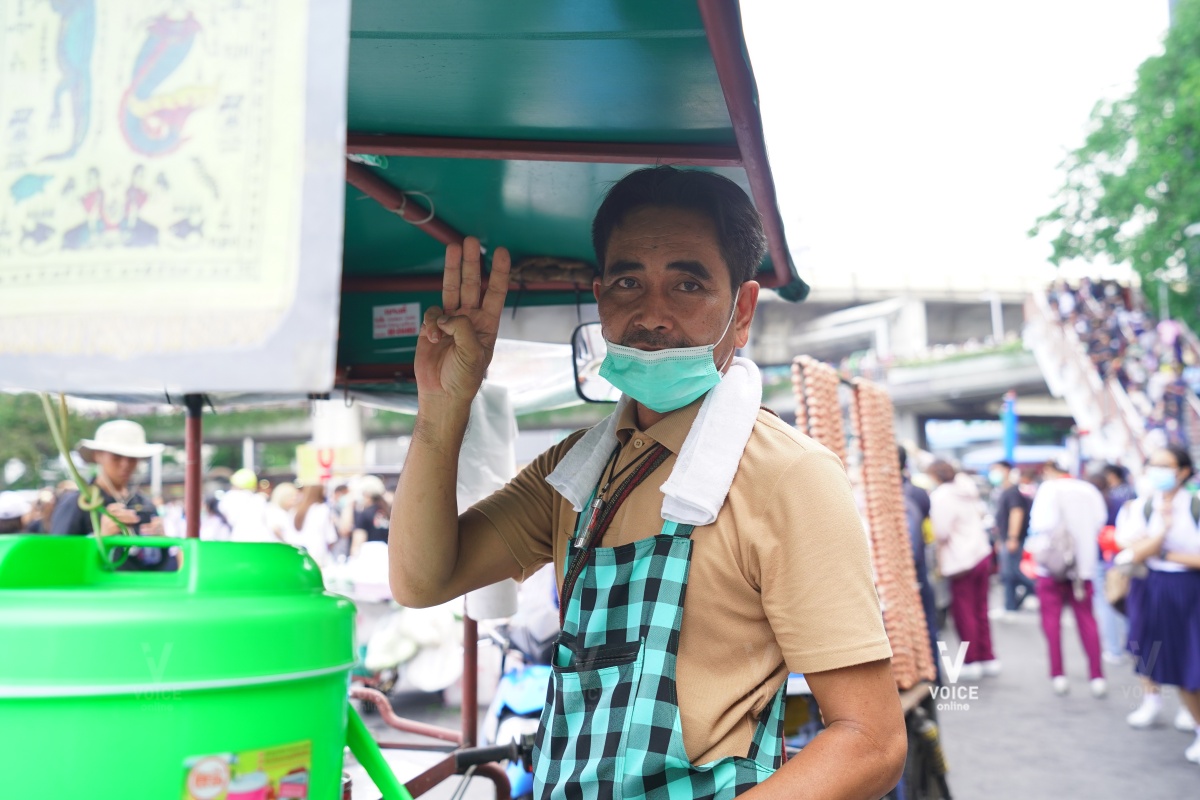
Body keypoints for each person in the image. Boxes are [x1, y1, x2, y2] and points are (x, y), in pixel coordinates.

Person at [389, 167, 906, 798]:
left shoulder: (788, 476)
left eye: (688, 284)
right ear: (602, 297)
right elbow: (422, 579)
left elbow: (871, 741)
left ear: (741, 312)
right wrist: (443, 410)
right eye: (629, 281)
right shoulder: (574, 472)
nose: (653, 315)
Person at [1115, 446, 1200, 760]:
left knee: (1191, 656)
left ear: (1183, 470)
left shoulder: (1194, 505)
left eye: (1165, 465)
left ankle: (1194, 717)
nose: (1157, 471)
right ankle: (1153, 700)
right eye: (1153, 464)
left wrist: (1162, 551)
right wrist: (1161, 532)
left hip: (1189, 588)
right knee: (1146, 644)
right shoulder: (1142, 506)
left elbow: (1148, 550)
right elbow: (1132, 551)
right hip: (1150, 585)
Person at [1027, 460, 1108, 697]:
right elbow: (1099, 522)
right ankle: (1097, 676)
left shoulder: (1048, 490)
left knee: (1051, 622)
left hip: (1051, 568)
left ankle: (1058, 674)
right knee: (1087, 620)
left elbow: (1040, 525)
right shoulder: (1088, 490)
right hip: (1083, 567)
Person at [48, 420, 172, 571]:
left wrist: (160, 544)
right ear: (98, 456)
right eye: (117, 457)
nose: (125, 465)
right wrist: (101, 536)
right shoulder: (77, 502)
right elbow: (57, 559)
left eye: (132, 458)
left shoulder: (144, 504)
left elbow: (157, 565)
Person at [926, 460, 998, 681]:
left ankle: (971, 660)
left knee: (964, 612)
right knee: (981, 609)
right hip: (981, 553)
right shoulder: (968, 489)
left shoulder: (942, 497)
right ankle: (987, 656)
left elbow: (941, 531)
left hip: (960, 559)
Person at [900, 446, 939, 675]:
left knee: (920, 626)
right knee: (925, 625)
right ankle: (933, 676)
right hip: (917, 566)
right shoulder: (917, 492)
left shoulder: (906, 495)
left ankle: (929, 676)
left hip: (911, 570)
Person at [1096, 464, 1134, 663]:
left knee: (1106, 604)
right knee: (1125, 601)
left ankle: (1114, 650)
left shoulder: (1097, 503)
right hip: (1121, 557)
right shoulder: (1124, 498)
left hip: (1103, 558)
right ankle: (1132, 646)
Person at [990, 461, 1037, 616]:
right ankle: (1010, 605)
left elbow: (1017, 514)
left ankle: (1039, 589)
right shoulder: (1003, 491)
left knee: (1012, 572)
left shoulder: (1012, 492)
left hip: (1012, 539)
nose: (994, 472)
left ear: (1007, 470)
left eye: (996, 469)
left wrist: (1012, 537)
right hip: (1005, 538)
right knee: (1008, 573)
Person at [219, 468, 273, 543]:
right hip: (262, 540)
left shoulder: (230, 496)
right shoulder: (260, 499)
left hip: (239, 538)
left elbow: (226, 515)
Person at [292, 484, 339, 567]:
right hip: (318, 552)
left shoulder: (296, 509)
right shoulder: (322, 509)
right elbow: (330, 536)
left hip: (300, 551)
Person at [353, 475, 390, 545]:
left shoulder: (364, 514)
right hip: (387, 553)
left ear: (367, 495)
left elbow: (358, 540)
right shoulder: (388, 511)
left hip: (369, 553)